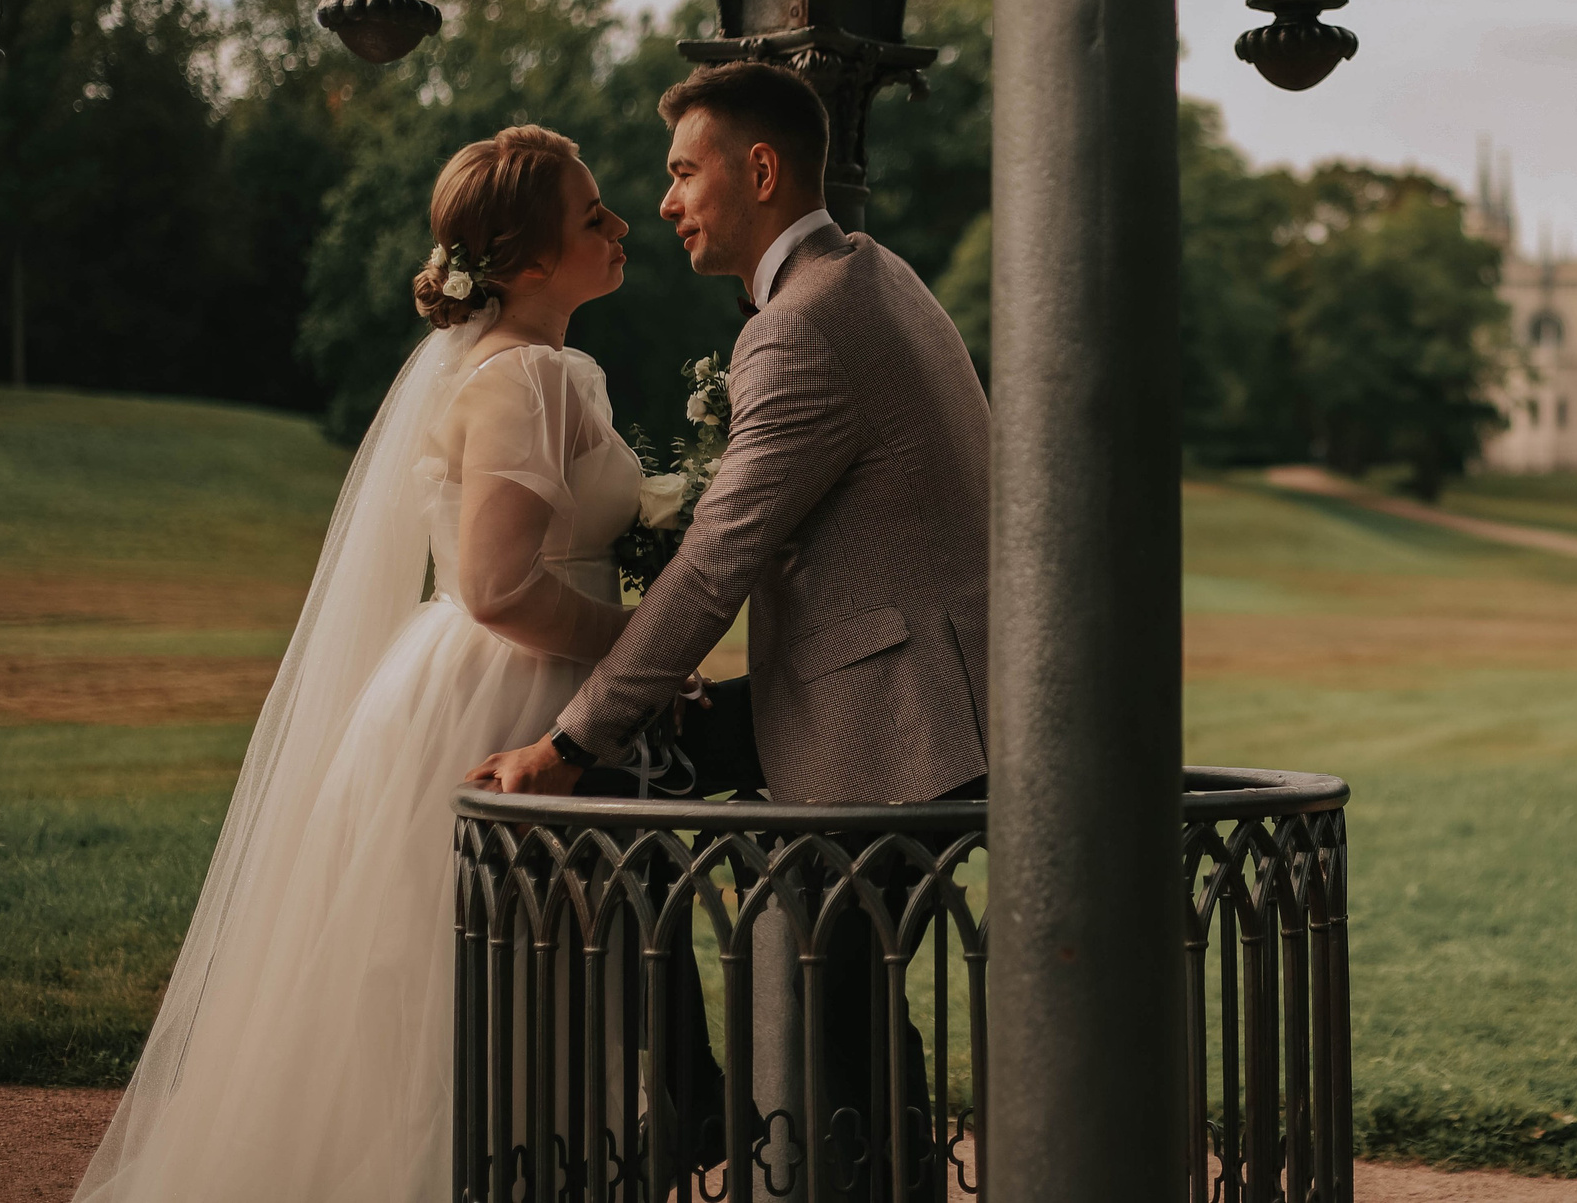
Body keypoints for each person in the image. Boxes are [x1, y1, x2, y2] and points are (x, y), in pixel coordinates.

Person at [75, 125, 642, 1203]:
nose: (618, 227)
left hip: (467, 678)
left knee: (475, 981)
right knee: (472, 987)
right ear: (525, 265)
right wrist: (642, 651)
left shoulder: (540, 370)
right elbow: (499, 588)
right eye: (591, 216)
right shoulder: (526, 379)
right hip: (502, 688)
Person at [469, 62, 992, 1199]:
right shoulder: (870, 274)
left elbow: (719, 560)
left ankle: (733, 1116)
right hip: (912, 684)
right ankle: (699, 1095)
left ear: (757, 171)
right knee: (677, 811)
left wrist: (566, 742)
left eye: (681, 173)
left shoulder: (802, 324)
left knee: (827, 983)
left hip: (895, 717)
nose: (665, 202)